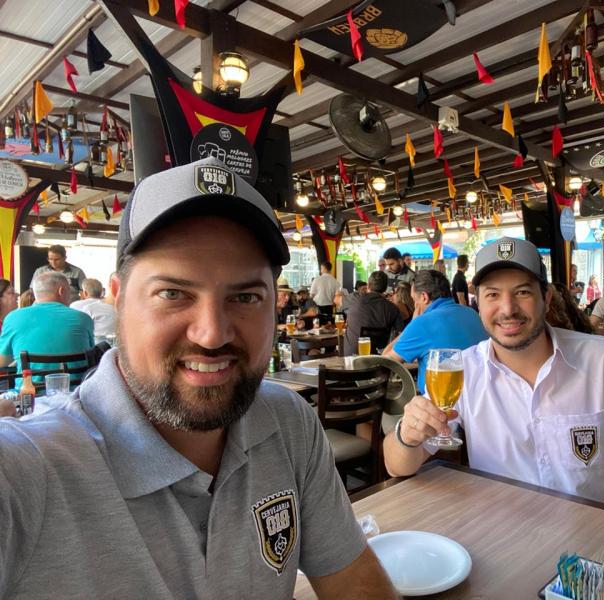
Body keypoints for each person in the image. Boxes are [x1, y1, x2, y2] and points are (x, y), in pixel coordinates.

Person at [0, 158, 394, 598]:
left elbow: (354, 583)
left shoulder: (288, 422)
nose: (211, 333)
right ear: (118, 298)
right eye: (173, 293)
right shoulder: (28, 470)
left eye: (245, 296)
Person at [383, 238, 604, 512]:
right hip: (504, 543)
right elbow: (396, 464)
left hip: (596, 553)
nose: (507, 309)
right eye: (492, 295)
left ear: (545, 298)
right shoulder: (463, 369)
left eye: (522, 292)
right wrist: (407, 436)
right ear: (478, 303)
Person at [383, 269, 487, 393]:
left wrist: (412, 323)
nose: (415, 305)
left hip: (441, 402)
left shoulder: (422, 323)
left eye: (414, 299)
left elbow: (385, 360)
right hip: (480, 396)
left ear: (424, 297)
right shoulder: (471, 313)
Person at [0, 271, 94, 369]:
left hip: (30, 384)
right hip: (78, 384)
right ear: (61, 291)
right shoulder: (84, 318)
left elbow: (2, 362)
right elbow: (91, 354)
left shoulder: (13, 318)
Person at [342, 270, 405, 355]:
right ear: (385, 288)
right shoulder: (393, 309)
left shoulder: (354, 299)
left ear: (368, 285)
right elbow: (401, 335)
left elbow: (336, 300)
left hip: (350, 359)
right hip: (378, 361)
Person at [73, 276, 118, 343]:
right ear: (102, 291)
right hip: (115, 343)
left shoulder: (77, 305)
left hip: (96, 345)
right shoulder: (112, 307)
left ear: (85, 293)